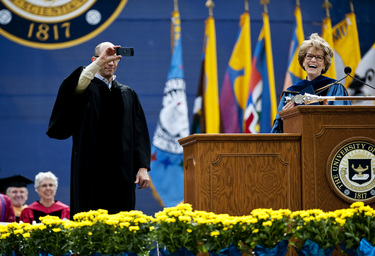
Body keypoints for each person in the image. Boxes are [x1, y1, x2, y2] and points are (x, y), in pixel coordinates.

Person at [46, 42, 151, 216]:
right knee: (89, 223)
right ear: (94, 60)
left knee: (122, 224)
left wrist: (142, 167)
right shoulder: (85, 88)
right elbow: (75, 86)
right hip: (90, 171)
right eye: (106, 57)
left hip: (122, 172)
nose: (110, 62)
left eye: (115, 58)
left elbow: (139, 133)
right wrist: (98, 63)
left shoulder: (127, 93)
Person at [271, 33, 351, 133]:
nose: (313, 60)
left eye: (319, 58)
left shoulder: (335, 88)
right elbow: (277, 131)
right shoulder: (291, 93)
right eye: (309, 56)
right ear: (303, 62)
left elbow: (344, 122)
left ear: (324, 65)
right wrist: (285, 118)